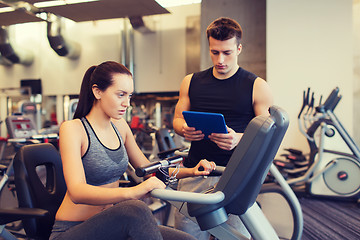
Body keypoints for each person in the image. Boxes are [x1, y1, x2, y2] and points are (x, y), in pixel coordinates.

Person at [49, 61, 216, 240]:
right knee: (134, 208)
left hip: (113, 227)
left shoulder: (119, 126)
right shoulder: (73, 129)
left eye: (129, 96)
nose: (127, 103)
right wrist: (133, 192)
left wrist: (191, 171)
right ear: (97, 92)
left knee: (186, 239)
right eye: (121, 95)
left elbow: (149, 169)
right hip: (74, 230)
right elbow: (77, 192)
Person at [172, 17, 273, 239]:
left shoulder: (256, 86)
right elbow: (178, 119)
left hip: (236, 176)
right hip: (196, 172)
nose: (220, 59)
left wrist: (239, 138)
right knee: (186, 235)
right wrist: (183, 129)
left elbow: (266, 137)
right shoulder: (190, 81)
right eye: (214, 52)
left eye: (227, 53)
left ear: (239, 48)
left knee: (236, 235)